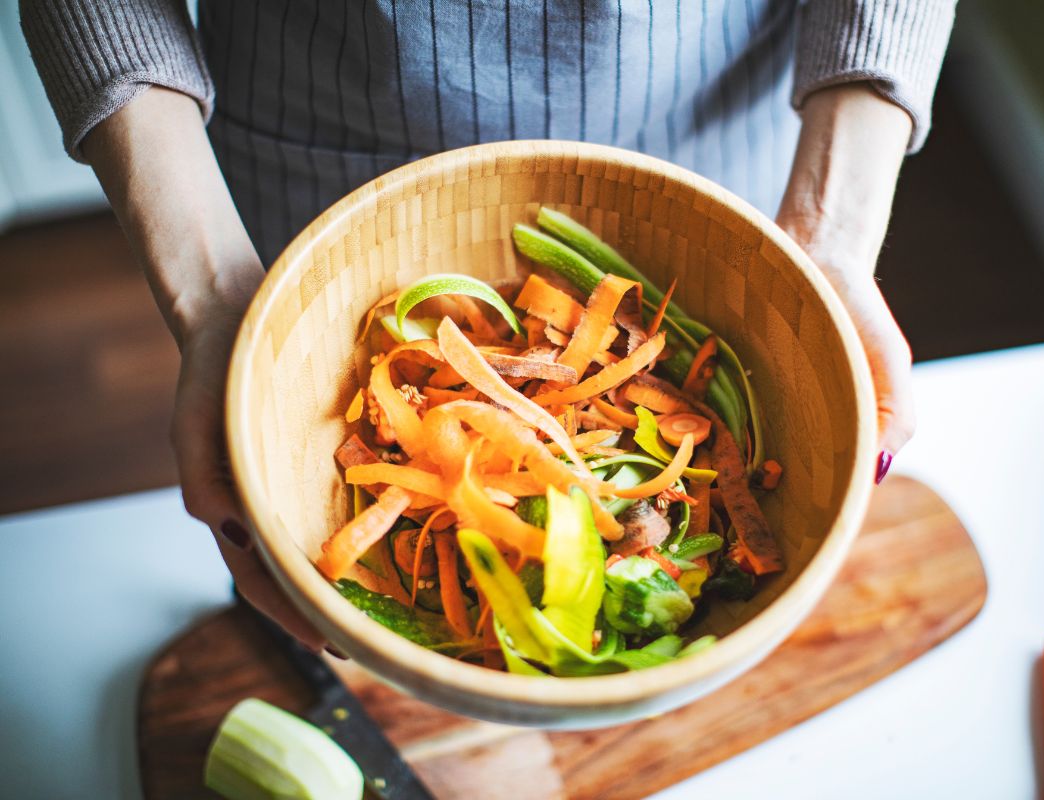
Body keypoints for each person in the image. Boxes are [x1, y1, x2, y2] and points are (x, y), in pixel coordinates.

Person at [21, 0, 955, 651]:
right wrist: (215, 291)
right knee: (325, 636)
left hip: (719, 153)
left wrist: (828, 233)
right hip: (321, 167)